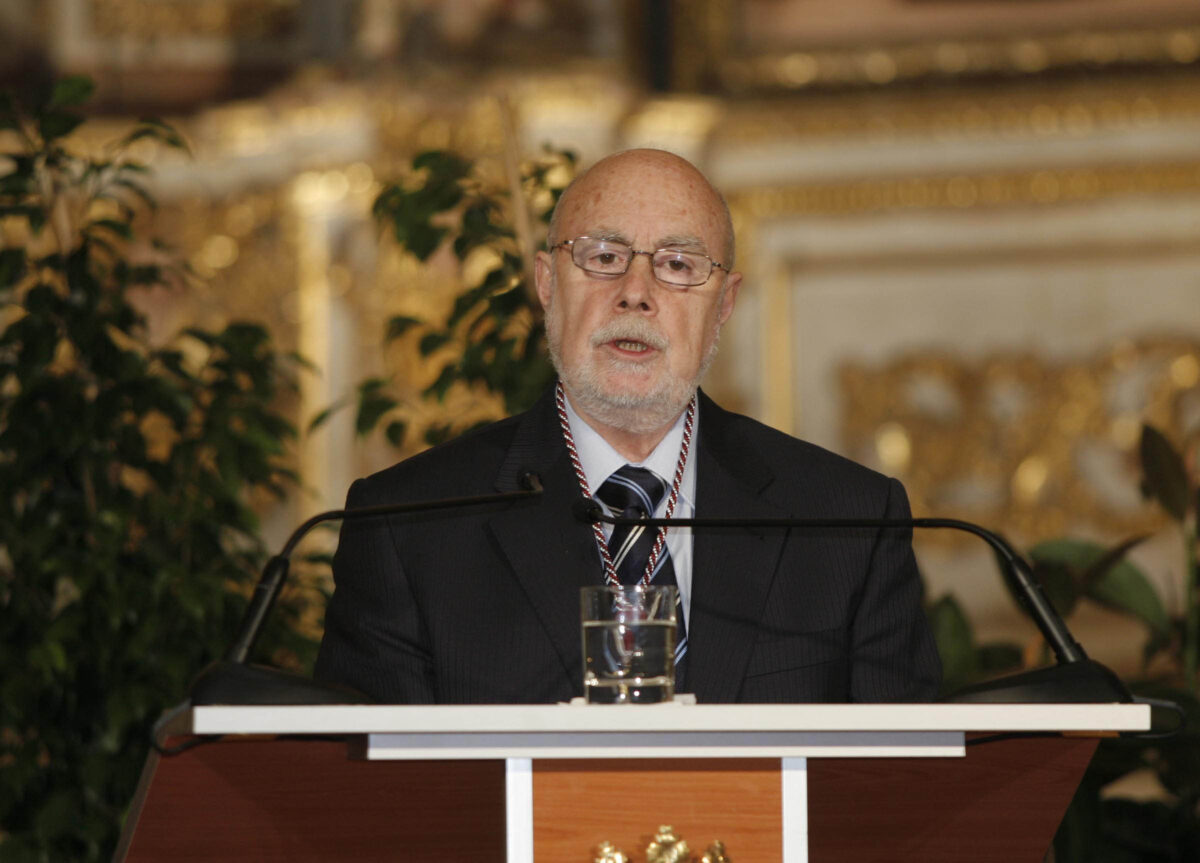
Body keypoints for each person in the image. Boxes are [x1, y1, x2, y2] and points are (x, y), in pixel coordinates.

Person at [314, 149, 941, 704]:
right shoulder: (408, 527)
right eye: (605, 256)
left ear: (724, 304)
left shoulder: (847, 523)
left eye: (677, 265)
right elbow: (381, 811)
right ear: (546, 284)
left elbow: (898, 793)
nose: (635, 294)